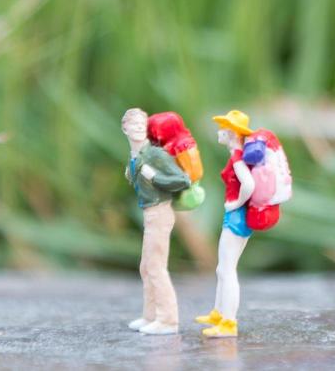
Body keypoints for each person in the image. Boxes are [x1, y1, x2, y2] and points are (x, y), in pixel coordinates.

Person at [196, 110, 282, 338]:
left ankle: (229, 322)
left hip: (236, 218)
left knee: (227, 270)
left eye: (223, 128)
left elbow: (248, 184)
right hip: (239, 217)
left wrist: (235, 204)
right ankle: (218, 312)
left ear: (233, 133)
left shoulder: (237, 158)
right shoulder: (239, 154)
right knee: (222, 268)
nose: (219, 132)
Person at [121, 107, 193, 335]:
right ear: (124, 129)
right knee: (146, 267)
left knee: (156, 266)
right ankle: (150, 316)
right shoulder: (137, 156)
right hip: (148, 213)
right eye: (133, 126)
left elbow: (183, 180)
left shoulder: (155, 154)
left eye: (142, 125)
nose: (138, 129)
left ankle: (168, 320)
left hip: (159, 212)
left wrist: (155, 177)